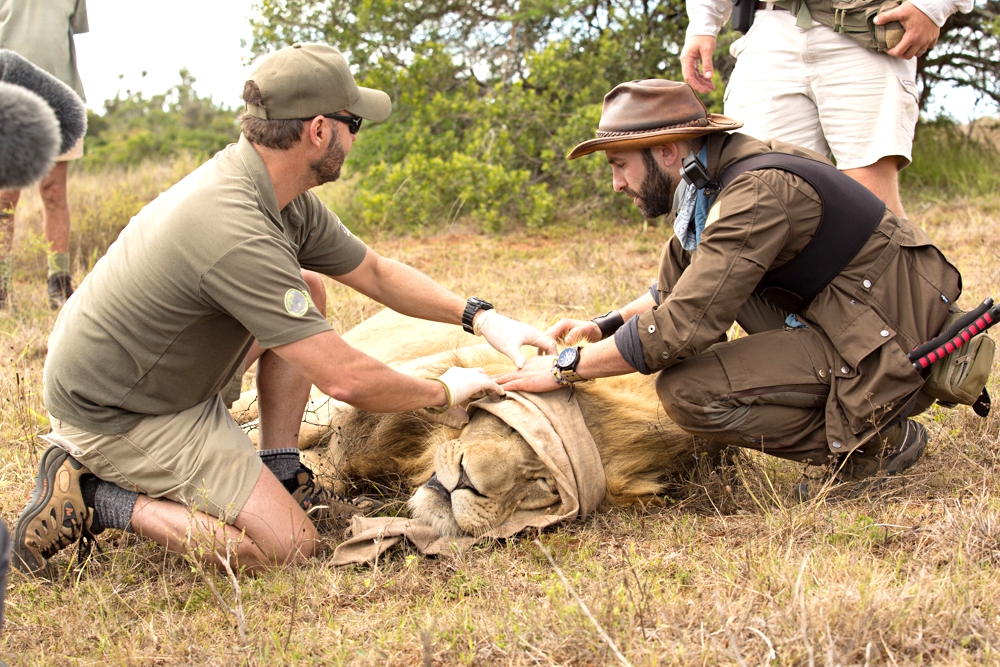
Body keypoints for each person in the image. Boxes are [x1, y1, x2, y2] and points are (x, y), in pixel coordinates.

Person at [12, 42, 557, 575]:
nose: (354, 136)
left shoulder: (276, 192)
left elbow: (374, 272)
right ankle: (94, 496)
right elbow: (344, 379)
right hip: (120, 412)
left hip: (161, 376)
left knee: (309, 289)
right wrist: (443, 392)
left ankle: (280, 467)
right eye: (354, 124)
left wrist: (485, 318)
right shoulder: (233, 226)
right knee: (287, 548)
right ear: (320, 130)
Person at [498, 79, 964, 497]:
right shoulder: (706, 185)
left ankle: (879, 439)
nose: (617, 184)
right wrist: (602, 328)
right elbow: (675, 291)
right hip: (848, 315)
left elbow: (680, 327)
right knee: (698, 317)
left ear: (666, 150)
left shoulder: (753, 192)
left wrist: (566, 367)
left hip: (890, 338)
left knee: (688, 391)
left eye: (620, 165)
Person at [679, 0, 972, 219]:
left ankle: (916, 300)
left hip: (867, 26)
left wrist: (932, 5)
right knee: (758, 195)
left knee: (871, 201)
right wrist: (703, 23)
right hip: (769, 24)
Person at [0, 0, 90, 308]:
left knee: (53, 191)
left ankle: (58, 283)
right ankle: (1, 282)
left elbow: (65, 33)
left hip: (58, 96)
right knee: (5, 196)